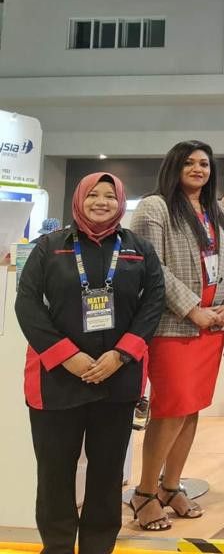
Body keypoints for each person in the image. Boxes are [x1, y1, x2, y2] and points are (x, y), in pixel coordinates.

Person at [16, 173, 164, 554]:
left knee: (107, 475)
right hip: (57, 381)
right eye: (93, 195)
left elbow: (153, 304)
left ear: (120, 202)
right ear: (79, 199)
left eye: (110, 196)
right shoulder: (49, 247)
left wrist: (120, 354)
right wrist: (68, 357)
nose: (101, 202)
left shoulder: (139, 250)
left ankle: (99, 547)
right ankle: (57, 547)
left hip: (117, 378)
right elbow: (27, 304)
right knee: (55, 475)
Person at [129, 140, 224, 530]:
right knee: (170, 409)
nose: (197, 169)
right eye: (189, 162)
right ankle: (144, 493)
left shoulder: (215, 211)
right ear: (174, 166)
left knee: (192, 409)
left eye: (204, 164)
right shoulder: (154, 207)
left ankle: (170, 486)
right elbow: (151, 266)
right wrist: (193, 309)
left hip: (213, 326)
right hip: (174, 325)